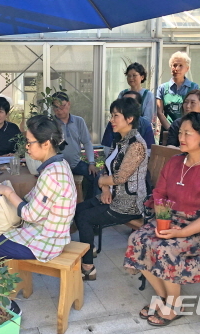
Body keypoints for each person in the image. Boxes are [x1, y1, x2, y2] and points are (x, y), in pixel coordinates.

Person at [124, 112, 200, 327]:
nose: (181, 137)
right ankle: (164, 297)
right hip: (170, 219)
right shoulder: (175, 162)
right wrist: (163, 221)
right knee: (138, 239)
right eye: (180, 132)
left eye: (188, 133)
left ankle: (175, 304)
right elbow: (159, 194)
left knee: (166, 248)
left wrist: (181, 232)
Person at [0, 115, 76, 262]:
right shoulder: (60, 164)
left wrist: (7, 192)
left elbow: (31, 215)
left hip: (44, 242)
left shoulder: (51, 174)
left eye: (30, 143)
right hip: (48, 234)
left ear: (46, 144)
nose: (26, 147)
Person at [75, 98, 147, 280]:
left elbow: (121, 177)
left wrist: (102, 183)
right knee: (78, 209)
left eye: (116, 116)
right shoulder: (120, 141)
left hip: (129, 204)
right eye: (111, 115)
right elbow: (107, 169)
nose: (111, 120)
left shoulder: (136, 145)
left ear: (129, 119)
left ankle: (88, 266)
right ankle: (89, 248)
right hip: (113, 196)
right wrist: (105, 188)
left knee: (84, 217)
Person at [52, 91, 97, 199]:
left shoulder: (78, 121)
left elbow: (86, 142)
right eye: (56, 108)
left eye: (62, 106)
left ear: (69, 104)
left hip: (75, 164)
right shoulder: (51, 123)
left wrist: (91, 162)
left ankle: (89, 203)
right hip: (56, 166)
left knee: (94, 176)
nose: (59, 110)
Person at [101, 91, 154, 156]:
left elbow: (149, 151)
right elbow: (107, 147)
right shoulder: (114, 128)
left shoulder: (137, 144)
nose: (111, 120)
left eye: (129, 102)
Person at [156, 51, 199, 131]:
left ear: (187, 68)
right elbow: (159, 112)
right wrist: (171, 129)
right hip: (167, 132)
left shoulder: (194, 87)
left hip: (188, 130)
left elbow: (196, 111)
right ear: (170, 67)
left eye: (181, 65)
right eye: (174, 65)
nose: (177, 68)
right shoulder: (162, 88)